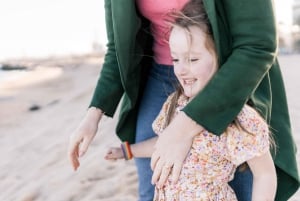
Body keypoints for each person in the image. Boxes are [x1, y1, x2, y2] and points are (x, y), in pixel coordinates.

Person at [68, 0, 299, 200]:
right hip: (158, 73)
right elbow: (119, 48)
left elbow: (258, 43)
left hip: (229, 75)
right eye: (178, 60)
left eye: (189, 60)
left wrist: (184, 127)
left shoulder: (242, 122)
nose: (181, 70)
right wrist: (95, 117)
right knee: (152, 184)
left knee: (242, 187)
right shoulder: (172, 105)